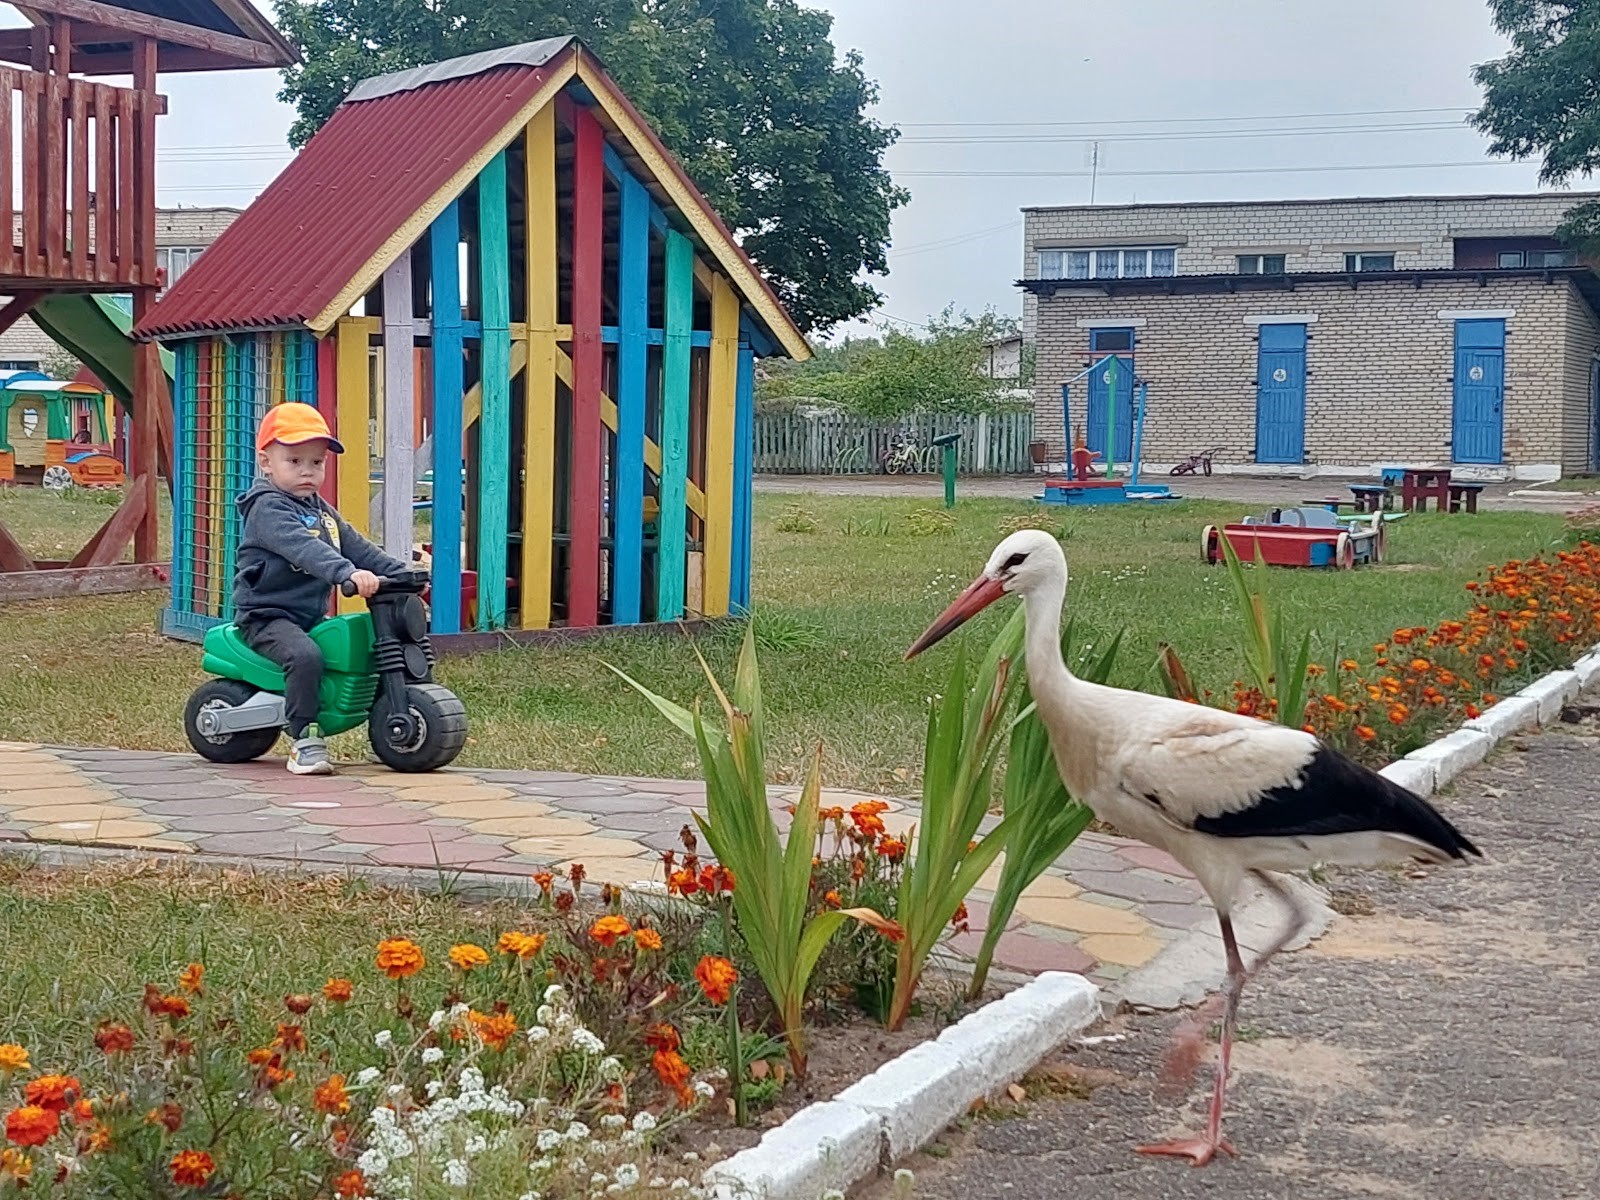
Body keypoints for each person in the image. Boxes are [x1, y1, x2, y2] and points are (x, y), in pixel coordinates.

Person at [233, 403, 410, 774]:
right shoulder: (267, 508)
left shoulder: (318, 508)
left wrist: (402, 574)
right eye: (294, 461)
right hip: (267, 616)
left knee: (361, 651)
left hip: (308, 614)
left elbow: (355, 544)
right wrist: (346, 573)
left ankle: (387, 723)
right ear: (266, 463)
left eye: (316, 463)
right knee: (306, 656)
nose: (307, 471)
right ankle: (304, 739)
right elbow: (306, 549)